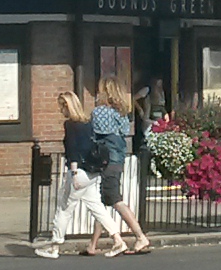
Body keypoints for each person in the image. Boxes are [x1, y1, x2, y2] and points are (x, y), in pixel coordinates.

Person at [38, 87, 121, 257]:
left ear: (67, 107)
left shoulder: (70, 125)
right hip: (92, 173)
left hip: (79, 173)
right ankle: (118, 240)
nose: (60, 110)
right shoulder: (87, 123)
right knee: (97, 208)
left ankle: (55, 246)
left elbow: (73, 150)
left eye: (61, 107)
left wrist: (74, 173)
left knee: (64, 209)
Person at [92, 80, 152, 253]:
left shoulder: (100, 112)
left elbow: (95, 134)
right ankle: (92, 244)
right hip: (118, 158)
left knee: (114, 199)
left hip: (106, 159)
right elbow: (123, 132)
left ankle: (140, 236)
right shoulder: (122, 113)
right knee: (102, 202)